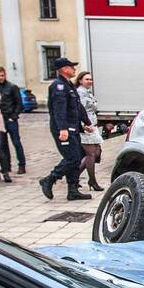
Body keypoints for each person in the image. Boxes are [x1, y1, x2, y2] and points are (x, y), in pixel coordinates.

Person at [39, 57, 91, 201]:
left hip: (73, 128)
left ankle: (72, 189)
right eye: (71, 67)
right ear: (64, 69)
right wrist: (62, 128)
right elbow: (59, 109)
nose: (74, 69)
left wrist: (86, 122)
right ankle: (49, 179)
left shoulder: (69, 85)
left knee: (78, 155)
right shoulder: (58, 86)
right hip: (64, 129)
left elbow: (77, 106)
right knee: (72, 158)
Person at [0, 66, 26, 174]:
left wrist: (14, 116)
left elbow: (19, 103)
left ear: (5, 75)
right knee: (3, 144)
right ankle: (6, 165)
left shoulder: (12, 87)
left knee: (16, 142)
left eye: (2, 75)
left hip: (10, 118)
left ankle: (21, 164)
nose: (0, 77)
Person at [75, 71, 104, 191]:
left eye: (91, 79)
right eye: (87, 79)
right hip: (86, 126)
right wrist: (83, 125)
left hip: (92, 125)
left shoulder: (87, 92)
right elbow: (79, 111)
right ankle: (92, 180)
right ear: (80, 80)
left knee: (96, 152)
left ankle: (74, 177)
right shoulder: (80, 93)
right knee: (91, 154)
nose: (90, 81)